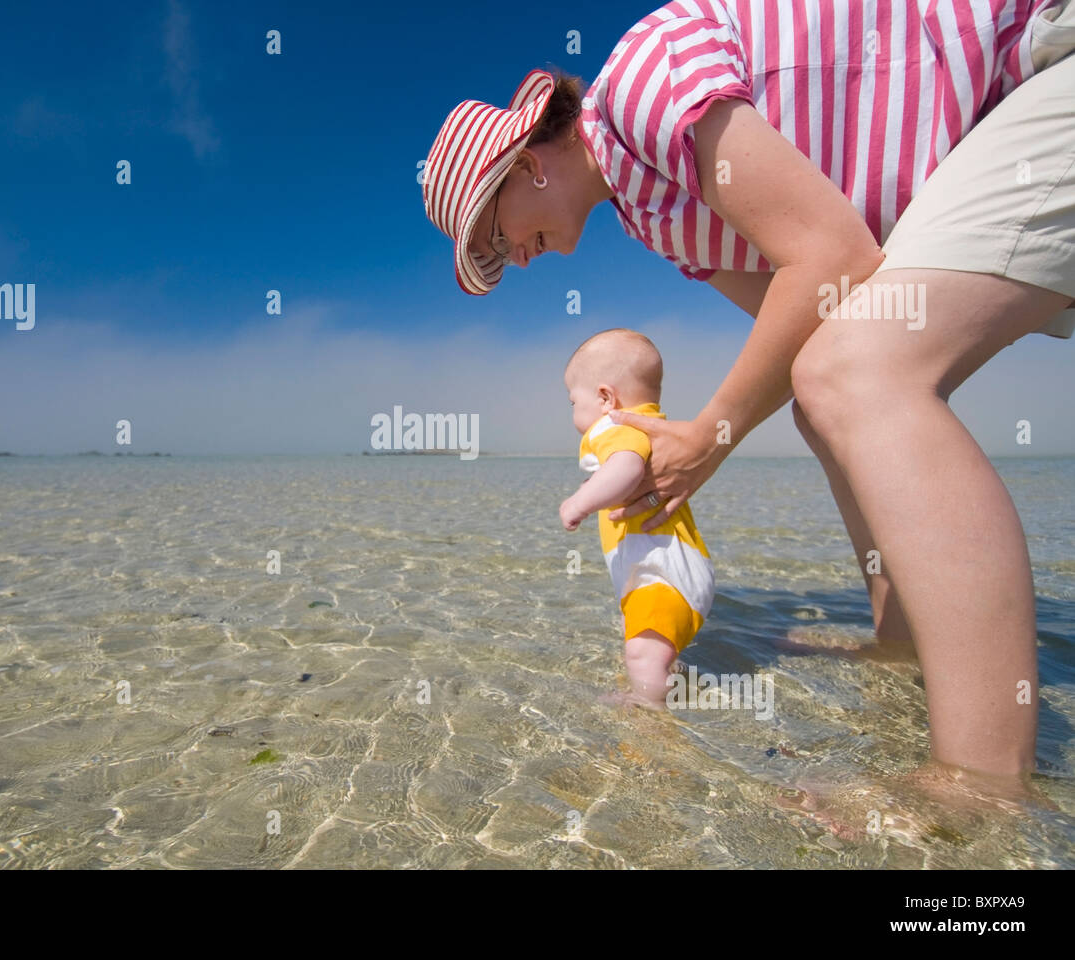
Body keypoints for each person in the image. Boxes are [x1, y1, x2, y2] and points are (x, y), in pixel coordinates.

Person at [422, 0, 1075, 794]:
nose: (512, 263)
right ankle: (904, 645)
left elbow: (834, 257)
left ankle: (980, 785)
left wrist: (705, 438)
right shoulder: (648, 217)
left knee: (855, 373)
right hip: (1000, 128)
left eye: (493, 237)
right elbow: (802, 324)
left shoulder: (635, 87)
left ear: (525, 164)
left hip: (1036, 66)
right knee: (824, 389)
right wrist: (699, 437)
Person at [559, 329, 715, 705]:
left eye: (572, 401)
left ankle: (650, 709)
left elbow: (627, 468)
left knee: (641, 657)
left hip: (660, 574)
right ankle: (671, 682)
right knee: (650, 646)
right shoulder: (646, 425)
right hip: (671, 571)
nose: (573, 412)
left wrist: (580, 501)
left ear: (604, 397)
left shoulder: (615, 426)